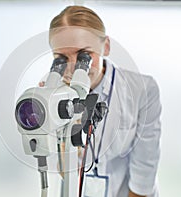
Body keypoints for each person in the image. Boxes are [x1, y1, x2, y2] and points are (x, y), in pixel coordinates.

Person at [45, 5, 162, 197]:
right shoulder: (53, 94)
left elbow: (144, 173)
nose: (74, 67)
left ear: (105, 46)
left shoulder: (142, 90)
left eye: (84, 56)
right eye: (62, 58)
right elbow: (62, 168)